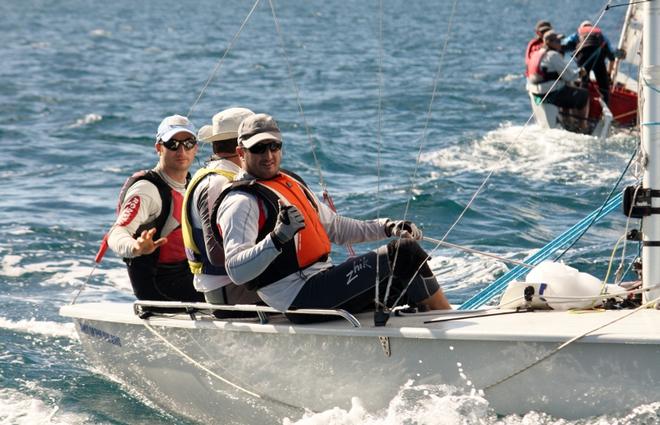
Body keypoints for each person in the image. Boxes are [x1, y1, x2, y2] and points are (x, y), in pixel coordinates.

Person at [213, 113, 451, 321]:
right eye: (258, 148)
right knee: (404, 253)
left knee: (403, 279)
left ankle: (434, 328)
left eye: (274, 147)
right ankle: (447, 322)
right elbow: (236, 270)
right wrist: (277, 238)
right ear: (240, 152)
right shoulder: (240, 202)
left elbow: (335, 227)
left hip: (320, 280)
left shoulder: (289, 182)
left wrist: (387, 227)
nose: (268, 155)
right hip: (299, 297)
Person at [108, 114, 204, 302]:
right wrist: (136, 247)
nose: (181, 151)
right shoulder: (147, 190)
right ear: (159, 148)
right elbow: (116, 233)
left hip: (189, 275)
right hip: (161, 286)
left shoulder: (191, 184)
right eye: (173, 144)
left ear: (196, 148)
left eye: (188, 143)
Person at [181, 107, 262, 306]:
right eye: (259, 145)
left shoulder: (227, 177)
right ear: (242, 147)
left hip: (236, 284)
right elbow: (217, 255)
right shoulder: (217, 184)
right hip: (227, 289)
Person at [561, 20, 625, 104]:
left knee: (584, 81)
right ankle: (606, 104)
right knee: (604, 85)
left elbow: (564, 43)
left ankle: (582, 104)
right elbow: (611, 57)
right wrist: (608, 75)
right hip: (598, 57)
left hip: (583, 56)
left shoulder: (578, 33)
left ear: (582, 27)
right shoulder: (601, 35)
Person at [526, 30, 589, 114]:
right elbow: (569, 77)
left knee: (567, 90)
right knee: (584, 95)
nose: (560, 44)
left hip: (536, 92)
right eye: (558, 41)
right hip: (549, 93)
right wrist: (580, 72)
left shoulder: (537, 53)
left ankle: (566, 118)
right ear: (549, 42)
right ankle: (581, 125)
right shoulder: (553, 55)